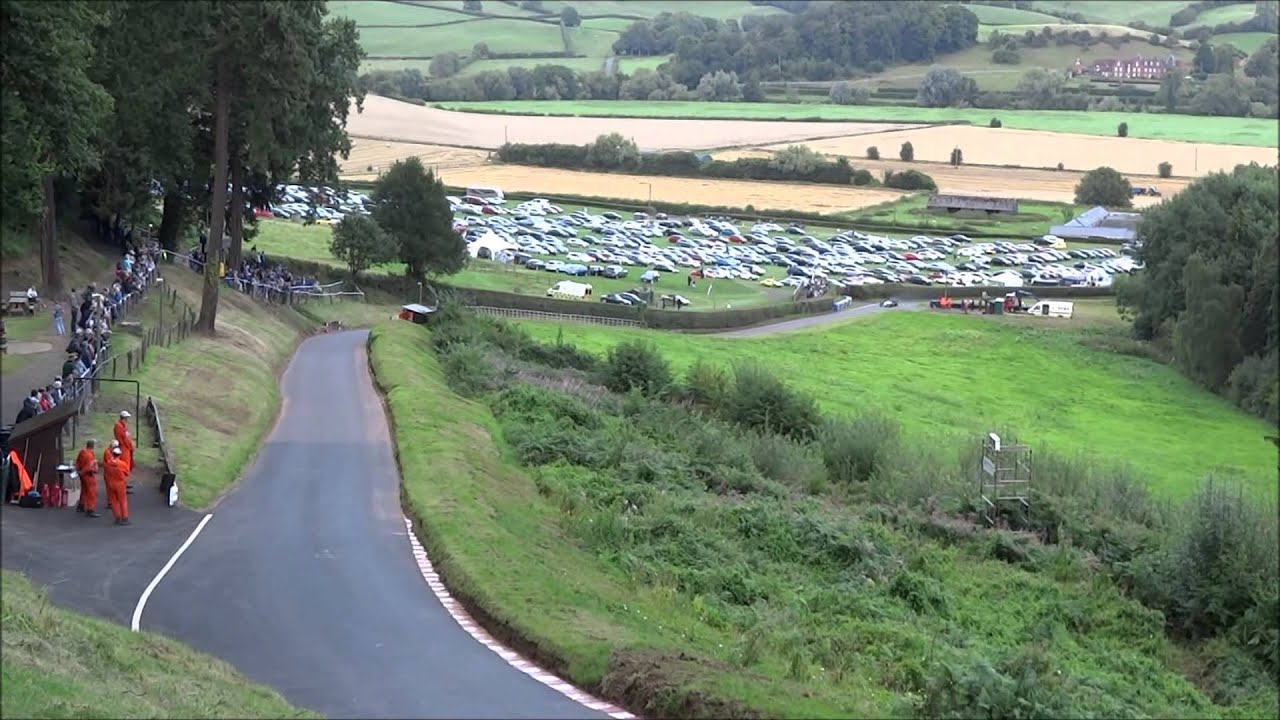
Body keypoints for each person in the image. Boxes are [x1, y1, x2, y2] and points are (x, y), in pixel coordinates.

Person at [104, 446, 129, 525]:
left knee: (114, 501)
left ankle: (117, 517)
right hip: (120, 484)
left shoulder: (108, 463)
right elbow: (127, 472)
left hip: (111, 483)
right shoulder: (122, 464)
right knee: (123, 500)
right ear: (119, 455)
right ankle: (124, 517)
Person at [75, 440, 100, 517]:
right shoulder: (89, 455)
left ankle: (81, 505)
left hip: (82, 474)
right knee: (91, 493)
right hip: (88, 475)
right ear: (92, 446)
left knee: (84, 490)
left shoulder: (82, 452)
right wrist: (95, 469)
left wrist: (79, 471)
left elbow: (77, 462)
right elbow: (89, 467)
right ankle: (90, 509)